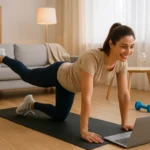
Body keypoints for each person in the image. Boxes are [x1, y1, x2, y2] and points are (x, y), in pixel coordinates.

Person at [0, 22, 135, 144]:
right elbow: (86, 97)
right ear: (111, 44)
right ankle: (3, 57)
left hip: (69, 86)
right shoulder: (92, 57)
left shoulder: (121, 63)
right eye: (124, 47)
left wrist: (125, 122)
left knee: (60, 117)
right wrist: (84, 130)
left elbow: (123, 94)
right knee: (27, 75)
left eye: (131, 47)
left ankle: (30, 103)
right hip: (59, 73)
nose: (128, 52)